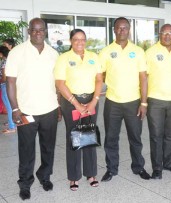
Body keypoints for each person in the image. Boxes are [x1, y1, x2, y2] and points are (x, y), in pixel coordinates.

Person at [5, 18, 59, 200]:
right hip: (26, 111)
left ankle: (44, 176)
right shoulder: (17, 52)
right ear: (29, 31)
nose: (38, 33)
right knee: (26, 149)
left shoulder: (53, 53)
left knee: (48, 147)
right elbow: (10, 81)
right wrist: (14, 109)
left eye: (41, 30)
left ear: (45, 31)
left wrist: (58, 106)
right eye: (34, 30)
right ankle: (25, 182)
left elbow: (58, 83)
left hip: (50, 110)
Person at [99, 17, 151, 182]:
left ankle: (138, 167)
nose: (122, 31)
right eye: (119, 28)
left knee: (135, 137)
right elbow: (101, 74)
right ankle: (111, 169)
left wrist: (143, 103)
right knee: (111, 138)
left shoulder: (138, 51)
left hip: (133, 102)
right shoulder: (106, 51)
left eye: (125, 28)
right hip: (112, 102)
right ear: (114, 30)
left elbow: (143, 78)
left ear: (129, 30)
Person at [55, 29, 103, 191]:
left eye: (82, 39)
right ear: (70, 41)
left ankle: (91, 174)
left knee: (89, 135)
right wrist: (76, 104)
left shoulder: (93, 57)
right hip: (71, 101)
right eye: (76, 39)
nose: (80, 42)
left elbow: (99, 80)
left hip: (91, 100)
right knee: (74, 136)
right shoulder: (63, 58)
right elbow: (60, 84)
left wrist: (94, 101)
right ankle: (74, 177)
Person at [145, 24, 171, 179]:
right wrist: (144, 101)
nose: (167, 36)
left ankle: (168, 163)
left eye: (170, 33)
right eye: (164, 33)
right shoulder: (150, 52)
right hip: (155, 100)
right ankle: (157, 167)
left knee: (170, 135)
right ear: (159, 34)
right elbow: (144, 78)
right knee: (156, 135)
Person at [0, 46, 16, 133]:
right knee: (10, 106)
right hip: (9, 85)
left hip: (5, 85)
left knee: (9, 107)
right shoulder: (9, 61)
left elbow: (4, 78)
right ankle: (13, 123)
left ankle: (12, 127)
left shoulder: (4, 62)